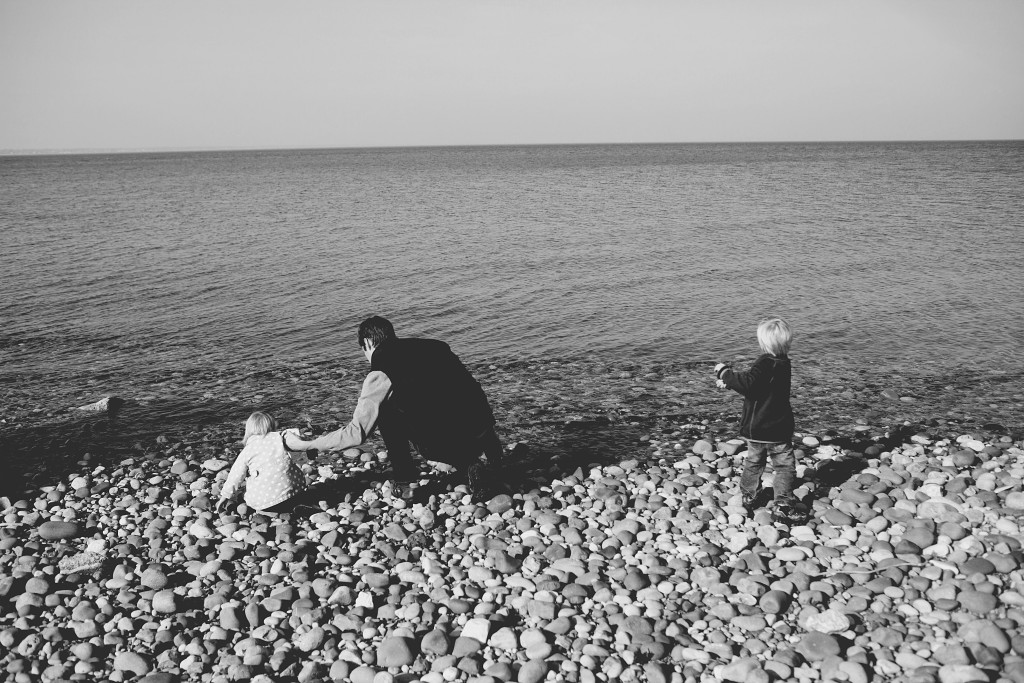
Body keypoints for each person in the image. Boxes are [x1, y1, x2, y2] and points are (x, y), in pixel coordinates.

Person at [284, 316, 503, 498]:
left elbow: (356, 433)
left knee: (386, 411)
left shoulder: (381, 371)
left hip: (447, 445)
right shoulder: (436, 347)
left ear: (368, 343)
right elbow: (470, 391)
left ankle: (407, 482)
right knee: (455, 394)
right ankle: (493, 461)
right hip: (483, 432)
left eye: (363, 350)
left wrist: (308, 445)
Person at [714, 317, 801, 524]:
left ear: (763, 343)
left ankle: (749, 494)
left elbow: (749, 385)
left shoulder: (764, 362)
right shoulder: (783, 363)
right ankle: (783, 503)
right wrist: (731, 384)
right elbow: (760, 387)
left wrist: (725, 373)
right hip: (778, 427)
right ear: (786, 342)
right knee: (784, 466)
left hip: (758, 428)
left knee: (754, 461)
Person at [216, 411, 307, 514]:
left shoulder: (248, 450)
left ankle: (262, 510)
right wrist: (311, 449)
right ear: (272, 425)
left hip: (266, 503)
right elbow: (296, 437)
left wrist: (224, 496)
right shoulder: (279, 437)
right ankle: (297, 505)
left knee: (244, 491)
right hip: (293, 493)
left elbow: (235, 476)